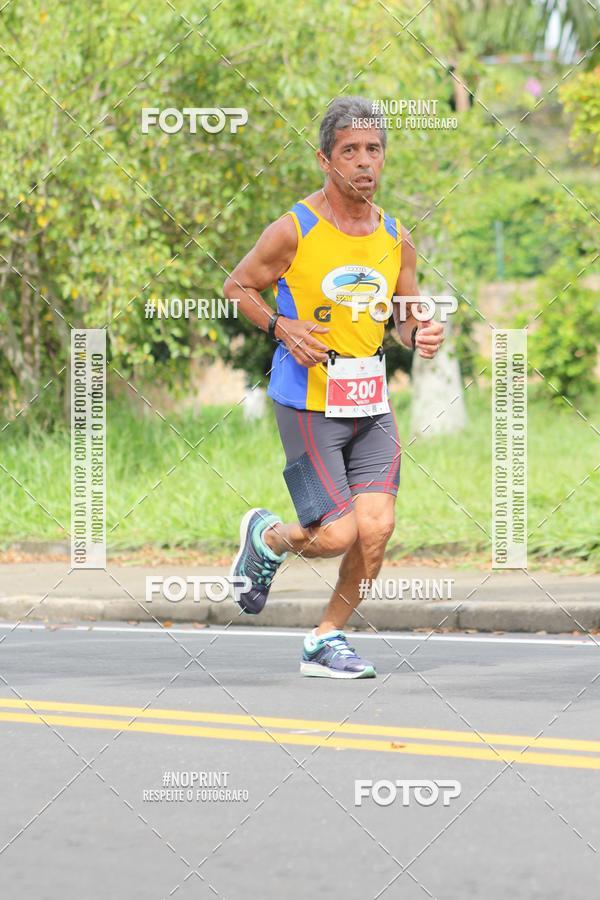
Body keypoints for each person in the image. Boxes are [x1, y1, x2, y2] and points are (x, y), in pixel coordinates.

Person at [224, 96, 444, 679]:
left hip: (369, 399)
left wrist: (418, 330)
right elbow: (237, 287)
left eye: (374, 150)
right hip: (306, 399)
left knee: (376, 529)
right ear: (325, 158)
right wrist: (282, 325)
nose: (365, 162)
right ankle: (268, 538)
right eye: (351, 151)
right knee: (334, 534)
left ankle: (327, 638)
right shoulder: (294, 229)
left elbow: (401, 313)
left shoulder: (396, 234)